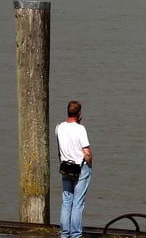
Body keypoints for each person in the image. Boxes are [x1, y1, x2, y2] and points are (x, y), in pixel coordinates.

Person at [56, 100, 92, 238]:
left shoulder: (59, 127)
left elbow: (60, 149)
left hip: (65, 167)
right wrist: (90, 165)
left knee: (66, 202)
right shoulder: (80, 129)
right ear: (79, 113)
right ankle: (76, 234)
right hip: (80, 168)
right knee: (78, 203)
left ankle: (64, 233)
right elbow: (86, 152)